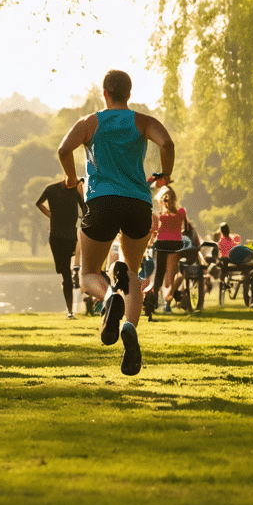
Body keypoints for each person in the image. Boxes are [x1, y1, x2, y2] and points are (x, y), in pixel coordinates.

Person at [57, 69, 174, 376]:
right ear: (129, 94)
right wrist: (165, 175)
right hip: (137, 203)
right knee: (131, 272)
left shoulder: (89, 123)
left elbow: (63, 149)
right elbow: (168, 144)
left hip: (103, 202)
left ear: (104, 93)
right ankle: (130, 329)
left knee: (88, 275)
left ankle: (109, 297)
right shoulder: (143, 121)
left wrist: (71, 176)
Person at [35, 176, 87, 318]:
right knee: (62, 270)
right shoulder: (51, 189)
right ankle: (70, 309)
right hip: (56, 237)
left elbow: (85, 212)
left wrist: (81, 195)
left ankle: (69, 311)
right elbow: (39, 203)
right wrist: (50, 215)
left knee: (66, 274)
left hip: (70, 237)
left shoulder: (75, 192)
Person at [148, 185, 191, 311]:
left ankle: (154, 299)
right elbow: (186, 228)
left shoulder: (159, 215)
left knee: (160, 273)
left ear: (163, 200)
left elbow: (155, 231)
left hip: (162, 244)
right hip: (175, 245)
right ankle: (169, 301)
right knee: (172, 275)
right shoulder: (181, 212)